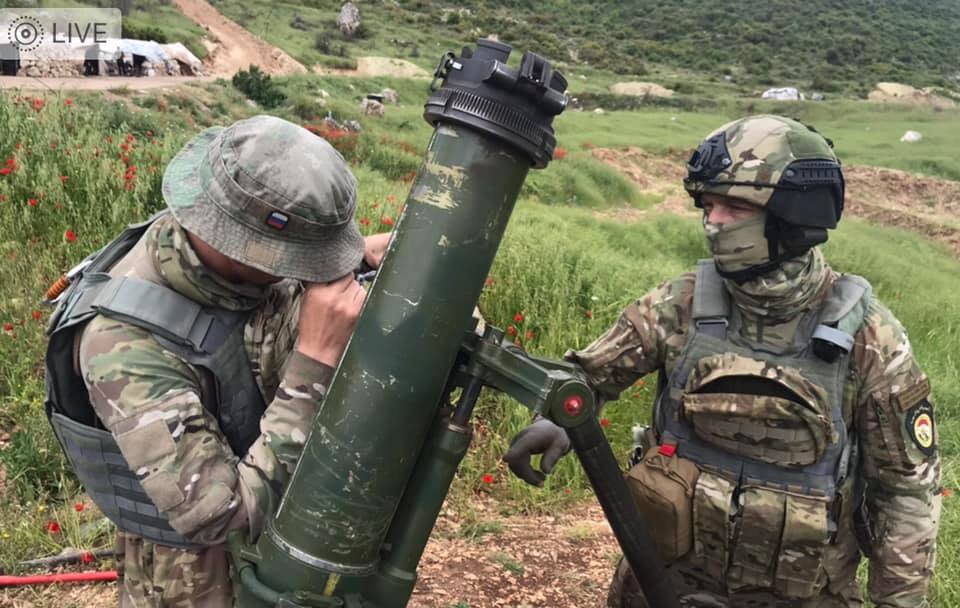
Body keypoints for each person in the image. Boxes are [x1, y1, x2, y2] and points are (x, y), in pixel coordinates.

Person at [503, 115, 941, 607]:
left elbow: (904, 493)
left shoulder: (870, 338)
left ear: (793, 216)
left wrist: (899, 602)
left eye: (735, 207)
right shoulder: (682, 302)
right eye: (708, 205)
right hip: (660, 585)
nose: (713, 222)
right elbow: (593, 375)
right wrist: (559, 417)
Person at [44, 115, 391, 606]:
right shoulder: (122, 345)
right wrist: (314, 362)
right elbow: (221, 519)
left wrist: (352, 262)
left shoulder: (217, 256)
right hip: (195, 578)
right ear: (243, 246)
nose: (310, 271)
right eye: (301, 258)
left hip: (280, 546)